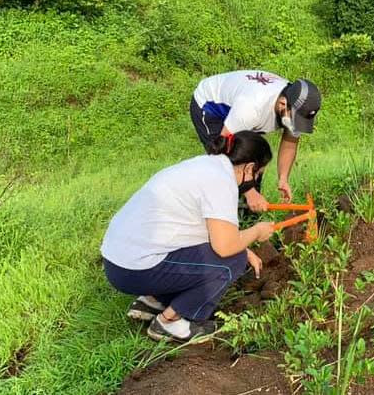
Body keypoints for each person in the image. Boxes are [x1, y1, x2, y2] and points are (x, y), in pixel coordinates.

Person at [101, 131, 276, 342]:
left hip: (116, 261)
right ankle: (169, 323)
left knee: (233, 253)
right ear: (249, 167)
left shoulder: (204, 166)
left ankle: (152, 300)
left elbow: (206, 229)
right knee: (232, 261)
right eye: (258, 174)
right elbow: (225, 247)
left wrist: (244, 246)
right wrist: (256, 232)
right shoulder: (222, 182)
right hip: (135, 268)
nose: (255, 181)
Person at [190, 70, 321, 212]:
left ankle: (248, 216)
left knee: (255, 162)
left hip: (240, 113)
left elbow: (289, 144)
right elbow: (224, 151)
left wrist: (283, 178)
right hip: (211, 108)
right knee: (221, 166)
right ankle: (211, 212)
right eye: (296, 120)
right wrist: (250, 192)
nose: (296, 125)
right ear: (283, 104)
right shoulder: (250, 109)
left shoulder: (293, 105)